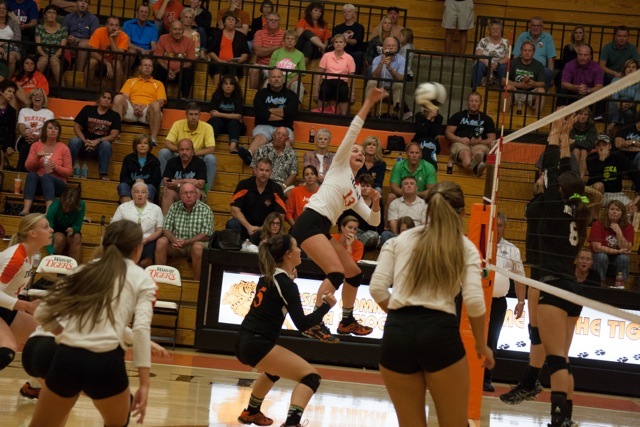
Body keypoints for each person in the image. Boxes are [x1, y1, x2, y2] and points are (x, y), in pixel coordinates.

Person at [369, 180, 494, 427]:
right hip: (439, 334)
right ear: (462, 212)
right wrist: (481, 345)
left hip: (397, 335)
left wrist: (400, 318)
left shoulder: (398, 240)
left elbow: (377, 289)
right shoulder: (464, 247)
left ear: (427, 208)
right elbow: (474, 301)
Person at [29, 220, 156, 426]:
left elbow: (42, 312)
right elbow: (141, 329)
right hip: (105, 363)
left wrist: (65, 334)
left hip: (66, 358)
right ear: (137, 248)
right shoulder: (142, 278)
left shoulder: (82, 270)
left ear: (104, 244)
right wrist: (144, 384)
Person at [289, 88, 387, 342]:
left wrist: (376, 202)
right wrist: (368, 101)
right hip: (309, 222)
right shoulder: (339, 165)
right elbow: (354, 129)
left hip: (320, 227)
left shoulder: (355, 190)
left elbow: (374, 221)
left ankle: (346, 321)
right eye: (354, 150)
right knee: (335, 274)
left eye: (361, 153)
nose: (358, 153)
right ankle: (314, 322)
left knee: (354, 273)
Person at [234, 234, 336, 427]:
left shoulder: (268, 276)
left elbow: (278, 291)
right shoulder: (287, 285)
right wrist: (325, 307)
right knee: (311, 377)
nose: (300, 251)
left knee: (273, 371)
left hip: (243, 340)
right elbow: (303, 324)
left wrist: (289, 277)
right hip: (257, 343)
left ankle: (252, 412)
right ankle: (291, 423)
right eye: (297, 247)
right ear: (288, 254)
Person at [0, 213, 52, 399]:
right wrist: (26, 306)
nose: (51, 230)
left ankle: (34, 387)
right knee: (7, 350)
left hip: (6, 308)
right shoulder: (16, 257)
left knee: (47, 336)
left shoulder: (31, 256)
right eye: (45, 227)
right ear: (33, 234)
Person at [483, 212, 526, 392]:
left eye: (500, 225)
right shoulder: (479, 245)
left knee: (492, 340)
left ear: (504, 228)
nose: (497, 228)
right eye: (494, 224)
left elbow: (520, 278)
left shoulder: (512, 250)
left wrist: (521, 302)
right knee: (469, 338)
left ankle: (486, 378)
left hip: (498, 303)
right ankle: (466, 374)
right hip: (476, 300)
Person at [240, 68, 299, 165]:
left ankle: (286, 163)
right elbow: (260, 114)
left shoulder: (291, 95)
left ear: (283, 79)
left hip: (284, 127)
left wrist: (269, 110)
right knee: (260, 138)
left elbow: (290, 114)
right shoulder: (261, 93)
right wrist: (282, 114)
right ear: (269, 79)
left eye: (279, 77)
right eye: (273, 77)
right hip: (264, 126)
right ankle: (249, 156)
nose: (276, 79)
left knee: (286, 140)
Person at [155, 182, 212, 281]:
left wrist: (187, 242)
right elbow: (166, 228)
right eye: (185, 193)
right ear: (180, 196)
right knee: (161, 242)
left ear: (196, 194)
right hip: (176, 245)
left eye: (191, 192)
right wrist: (174, 240)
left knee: (198, 247)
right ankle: (160, 280)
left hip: (194, 244)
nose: (189, 196)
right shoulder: (174, 207)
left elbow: (206, 234)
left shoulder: (205, 209)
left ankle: (197, 284)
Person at [159, 102, 217, 192]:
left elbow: (211, 149)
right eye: (190, 114)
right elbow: (167, 142)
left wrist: (192, 153)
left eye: (196, 114)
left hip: (197, 157)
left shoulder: (207, 127)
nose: (193, 117)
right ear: (186, 115)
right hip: (180, 154)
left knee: (211, 158)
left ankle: (206, 192)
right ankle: (163, 187)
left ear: (199, 115)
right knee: (163, 152)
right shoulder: (178, 124)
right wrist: (181, 151)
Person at [227, 157, 287, 241]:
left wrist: (263, 228)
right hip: (245, 226)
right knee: (232, 223)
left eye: (267, 171)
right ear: (255, 170)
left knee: (277, 225)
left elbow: (281, 214)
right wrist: (249, 227)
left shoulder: (276, 189)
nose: (264, 173)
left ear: (271, 172)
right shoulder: (244, 185)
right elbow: (234, 209)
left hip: (266, 229)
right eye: (261, 170)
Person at [111, 57, 166, 146]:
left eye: (150, 66)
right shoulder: (131, 81)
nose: (147, 67)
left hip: (148, 111)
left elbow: (161, 101)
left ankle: (153, 139)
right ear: (140, 68)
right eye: (145, 65)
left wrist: (144, 107)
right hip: (131, 109)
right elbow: (125, 96)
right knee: (118, 98)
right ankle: (115, 134)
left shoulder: (158, 84)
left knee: (156, 105)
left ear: (152, 69)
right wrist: (134, 106)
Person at [21, 119, 72, 214]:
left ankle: (49, 211)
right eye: (50, 128)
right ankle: (26, 209)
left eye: (56, 129)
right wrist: (37, 158)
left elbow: (69, 171)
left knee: (47, 177)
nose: (53, 130)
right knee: (32, 175)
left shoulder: (64, 148)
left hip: (58, 184)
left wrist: (56, 167)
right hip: (39, 184)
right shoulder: (36, 146)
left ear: (59, 132)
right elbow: (27, 167)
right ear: (45, 131)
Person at [68, 90, 121, 181]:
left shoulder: (115, 115)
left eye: (109, 98)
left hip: (100, 147)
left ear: (111, 103)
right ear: (99, 99)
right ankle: (67, 169)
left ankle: (103, 174)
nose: (106, 100)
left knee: (106, 144)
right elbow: (76, 126)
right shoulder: (87, 109)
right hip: (84, 143)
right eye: (104, 97)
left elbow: (114, 135)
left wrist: (97, 141)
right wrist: (85, 141)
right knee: (74, 141)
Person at [112, 181, 164, 268]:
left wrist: (146, 240)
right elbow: (113, 226)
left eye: (143, 192)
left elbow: (159, 230)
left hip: (148, 240)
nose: (140, 195)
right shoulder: (123, 207)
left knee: (147, 261)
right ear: (132, 194)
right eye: (137, 192)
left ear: (147, 194)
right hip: (127, 239)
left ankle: (137, 272)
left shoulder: (156, 209)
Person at [445, 91, 497, 177]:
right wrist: (460, 139)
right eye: (471, 101)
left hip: (479, 144)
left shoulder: (487, 119)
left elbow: (492, 139)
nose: (473, 103)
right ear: (467, 102)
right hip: (460, 144)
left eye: (476, 101)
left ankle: (473, 166)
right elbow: (447, 133)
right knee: (465, 153)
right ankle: (476, 168)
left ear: (480, 103)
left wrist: (481, 141)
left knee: (479, 153)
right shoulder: (458, 116)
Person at [587, 134, 640, 217]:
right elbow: (594, 179)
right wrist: (601, 160)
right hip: (597, 194)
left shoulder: (618, 157)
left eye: (604, 144)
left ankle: (625, 228)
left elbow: (635, 173)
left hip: (616, 194)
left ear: (610, 146)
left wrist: (638, 193)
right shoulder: (591, 158)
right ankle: (594, 221)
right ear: (596, 147)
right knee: (598, 185)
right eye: (599, 145)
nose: (601, 148)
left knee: (633, 207)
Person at [589, 200, 633, 288]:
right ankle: (598, 285)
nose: (614, 212)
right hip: (599, 260)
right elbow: (597, 248)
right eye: (612, 209)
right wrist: (618, 251)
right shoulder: (598, 224)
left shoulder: (628, 227)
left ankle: (620, 286)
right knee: (602, 256)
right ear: (607, 211)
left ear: (622, 213)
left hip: (616, 262)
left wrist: (619, 232)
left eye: (618, 210)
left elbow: (627, 248)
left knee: (624, 258)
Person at [387, 143, 437, 217]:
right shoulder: (398, 165)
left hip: (421, 197)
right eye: (411, 152)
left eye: (417, 153)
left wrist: (413, 195)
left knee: (434, 198)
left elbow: (431, 190)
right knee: (391, 196)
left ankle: (430, 227)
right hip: (402, 196)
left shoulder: (429, 167)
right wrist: (408, 195)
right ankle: (386, 226)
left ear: (421, 155)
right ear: (407, 153)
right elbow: (394, 187)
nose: (414, 155)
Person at [160, 138, 207, 215]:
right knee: (167, 191)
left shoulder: (200, 163)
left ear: (192, 151)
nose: (184, 152)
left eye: (187, 149)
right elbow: (166, 182)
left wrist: (176, 182)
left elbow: (200, 185)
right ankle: (166, 223)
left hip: (193, 191)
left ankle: (191, 221)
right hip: (175, 191)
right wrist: (190, 181)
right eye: (182, 150)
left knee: (196, 192)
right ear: (178, 151)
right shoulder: (172, 162)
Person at [338, 174, 384, 250]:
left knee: (374, 236)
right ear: (358, 187)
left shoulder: (377, 200)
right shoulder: (352, 199)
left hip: (370, 233)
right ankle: (356, 247)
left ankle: (357, 247)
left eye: (368, 186)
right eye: (362, 186)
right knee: (351, 237)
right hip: (354, 231)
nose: (365, 188)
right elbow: (343, 218)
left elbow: (380, 221)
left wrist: (379, 236)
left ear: (372, 187)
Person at [314, 34, 355, 115]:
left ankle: (343, 116)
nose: (338, 44)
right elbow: (319, 74)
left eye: (341, 42)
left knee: (343, 91)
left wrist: (352, 94)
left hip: (342, 82)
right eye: (336, 42)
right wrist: (316, 91)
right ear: (333, 44)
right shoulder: (326, 55)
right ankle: (320, 114)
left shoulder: (349, 58)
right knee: (323, 90)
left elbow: (352, 78)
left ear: (345, 44)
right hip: (328, 80)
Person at [153, 20, 195, 99]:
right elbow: (158, 57)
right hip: (165, 70)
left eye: (179, 29)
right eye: (175, 29)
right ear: (170, 30)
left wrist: (176, 71)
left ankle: (184, 98)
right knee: (157, 68)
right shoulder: (163, 38)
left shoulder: (190, 42)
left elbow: (190, 61)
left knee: (188, 71)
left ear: (183, 31)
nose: (177, 31)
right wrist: (168, 69)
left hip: (180, 72)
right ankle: (160, 97)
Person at [381, 176, 427, 248]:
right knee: (385, 235)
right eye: (406, 184)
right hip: (398, 235)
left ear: (416, 188)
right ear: (402, 188)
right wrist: (401, 237)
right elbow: (392, 223)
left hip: (417, 237)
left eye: (412, 184)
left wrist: (412, 237)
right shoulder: (395, 203)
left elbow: (424, 225)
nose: (409, 186)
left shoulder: (424, 204)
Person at [207, 11, 250, 87]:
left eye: (233, 20)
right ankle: (217, 92)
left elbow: (245, 54)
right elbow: (211, 51)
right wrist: (219, 60)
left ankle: (233, 94)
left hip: (235, 64)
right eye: (228, 19)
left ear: (236, 23)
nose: (231, 21)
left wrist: (238, 61)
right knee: (219, 68)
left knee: (232, 69)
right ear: (224, 22)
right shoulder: (217, 34)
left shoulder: (241, 36)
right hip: (218, 62)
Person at [503, 41, 546, 115]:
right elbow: (503, 80)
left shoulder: (539, 65)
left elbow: (542, 83)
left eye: (529, 50)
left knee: (541, 90)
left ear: (533, 52)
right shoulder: (513, 62)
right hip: (515, 92)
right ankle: (504, 116)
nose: (527, 52)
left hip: (531, 94)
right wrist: (519, 85)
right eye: (525, 50)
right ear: (521, 51)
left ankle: (537, 121)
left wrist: (533, 83)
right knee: (507, 87)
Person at [365, 36, 405, 117]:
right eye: (388, 45)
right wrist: (381, 62)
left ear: (397, 48)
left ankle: (396, 111)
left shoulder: (402, 60)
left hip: (392, 89)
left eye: (393, 46)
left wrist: (389, 68)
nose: (390, 47)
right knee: (371, 82)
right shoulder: (377, 59)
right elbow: (374, 76)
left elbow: (401, 78)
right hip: (379, 88)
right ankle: (368, 109)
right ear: (383, 47)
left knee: (399, 84)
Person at [16, 88, 54, 172]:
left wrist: (37, 137)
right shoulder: (24, 111)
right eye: (35, 95)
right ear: (31, 98)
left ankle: (20, 172)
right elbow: (21, 125)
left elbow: (46, 129)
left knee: (32, 146)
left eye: (40, 95)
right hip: (24, 137)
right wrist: (25, 134)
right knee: (25, 145)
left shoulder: (49, 113)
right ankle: (22, 172)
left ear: (44, 99)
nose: (38, 96)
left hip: (40, 139)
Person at [87, 16, 129, 90]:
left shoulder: (124, 36)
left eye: (116, 25)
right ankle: (86, 90)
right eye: (111, 25)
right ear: (106, 25)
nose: (114, 28)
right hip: (100, 62)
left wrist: (111, 39)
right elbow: (92, 52)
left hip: (114, 64)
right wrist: (107, 63)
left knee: (117, 64)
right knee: (91, 62)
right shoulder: (99, 31)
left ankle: (117, 94)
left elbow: (118, 56)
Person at [208, 75, 246, 154]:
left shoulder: (238, 97)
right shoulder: (216, 95)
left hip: (234, 127)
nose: (228, 86)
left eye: (231, 84)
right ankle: (210, 146)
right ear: (221, 86)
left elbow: (238, 116)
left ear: (234, 87)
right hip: (219, 125)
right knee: (215, 121)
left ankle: (233, 147)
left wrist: (219, 114)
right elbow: (213, 114)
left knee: (234, 122)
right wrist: (231, 115)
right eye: (225, 84)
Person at [118, 134, 161, 204]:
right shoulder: (128, 159)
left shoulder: (154, 161)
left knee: (151, 187)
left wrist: (143, 181)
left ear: (149, 146)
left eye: (145, 143)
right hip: (131, 187)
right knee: (122, 186)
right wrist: (136, 181)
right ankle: (128, 211)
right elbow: (123, 179)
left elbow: (156, 181)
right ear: (135, 146)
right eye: (139, 143)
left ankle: (144, 213)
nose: (142, 145)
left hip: (147, 187)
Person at [513, 16, 556, 85]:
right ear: (530, 26)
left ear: (542, 27)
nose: (535, 28)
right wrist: (514, 68)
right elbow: (516, 55)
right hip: (522, 67)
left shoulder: (548, 37)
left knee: (547, 73)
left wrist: (550, 76)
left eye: (538, 26)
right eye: (533, 25)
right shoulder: (522, 36)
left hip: (539, 69)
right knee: (504, 68)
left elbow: (550, 59)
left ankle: (542, 93)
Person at [46, 186, 85, 263]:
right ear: (62, 201)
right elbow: (48, 231)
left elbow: (78, 224)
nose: (67, 210)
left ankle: (74, 271)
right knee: (59, 238)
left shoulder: (81, 205)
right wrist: (50, 251)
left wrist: (74, 229)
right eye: (66, 206)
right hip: (56, 229)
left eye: (71, 208)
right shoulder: (54, 207)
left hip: (70, 228)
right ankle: (54, 268)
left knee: (76, 237)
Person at [62, 0, 99, 76]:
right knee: (62, 45)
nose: (83, 3)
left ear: (88, 5)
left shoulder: (93, 19)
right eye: (81, 1)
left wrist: (77, 40)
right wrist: (68, 38)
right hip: (70, 45)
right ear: (76, 3)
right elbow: (63, 35)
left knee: (83, 45)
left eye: (86, 2)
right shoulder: (68, 17)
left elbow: (94, 40)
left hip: (87, 48)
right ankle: (64, 77)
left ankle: (78, 75)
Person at [269, 30, 306, 102]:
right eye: (287, 38)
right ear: (284, 40)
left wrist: (289, 83)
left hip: (292, 81)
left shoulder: (300, 55)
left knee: (299, 86)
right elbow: (271, 69)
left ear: (296, 41)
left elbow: (301, 73)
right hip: (277, 79)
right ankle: (266, 106)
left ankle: (296, 108)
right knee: (267, 82)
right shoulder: (277, 52)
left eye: (292, 39)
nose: (290, 41)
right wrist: (278, 80)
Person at [249, 11, 283, 89]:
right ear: (266, 22)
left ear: (279, 22)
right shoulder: (259, 33)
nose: (273, 22)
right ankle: (252, 94)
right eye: (271, 20)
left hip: (277, 67)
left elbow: (282, 54)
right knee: (255, 67)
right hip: (262, 65)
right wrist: (275, 48)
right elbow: (258, 52)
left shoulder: (284, 35)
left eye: (276, 20)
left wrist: (264, 50)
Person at [472, 18, 510, 89]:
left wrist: (498, 63)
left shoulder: (506, 42)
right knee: (479, 65)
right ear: (489, 30)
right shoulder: (483, 41)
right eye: (493, 28)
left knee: (504, 67)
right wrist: (487, 63)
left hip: (499, 65)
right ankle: (475, 89)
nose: (495, 30)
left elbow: (507, 57)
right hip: (484, 63)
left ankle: (501, 91)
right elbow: (478, 54)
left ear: (501, 30)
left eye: (497, 28)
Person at [34, 5, 67, 86]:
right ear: (45, 14)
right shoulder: (39, 27)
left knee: (54, 62)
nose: (52, 15)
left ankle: (62, 89)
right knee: (42, 61)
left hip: (58, 56)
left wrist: (54, 57)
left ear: (56, 15)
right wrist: (46, 56)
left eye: (54, 13)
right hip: (42, 53)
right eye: (49, 12)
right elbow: (38, 47)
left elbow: (62, 48)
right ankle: (35, 86)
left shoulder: (63, 29)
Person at [607, 59, 640, 134]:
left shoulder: (639, 83)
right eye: (628, 67)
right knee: (613, 101)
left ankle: (614, 123)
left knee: (629, 112)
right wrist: (619, 103)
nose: (630, 69)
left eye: (633, 67)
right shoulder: (615, 80)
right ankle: (615, 123)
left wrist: (630, 104)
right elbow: (615, 96)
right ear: (624, 69)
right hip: (616, 106)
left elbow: (637, 100)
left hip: (631, 108)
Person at [331, 4, 365, 74]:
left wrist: (342, 39)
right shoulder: (338, 27)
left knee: (359, 54)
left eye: (349, 11)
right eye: (345, 12)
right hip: (339, 50)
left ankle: (355, 77)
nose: (347, 14)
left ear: (353, 13)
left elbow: (356, 41)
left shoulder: (359, 27)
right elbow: (333, 40)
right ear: (342, 14)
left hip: (354, 51)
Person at [122, 3, 158, 69]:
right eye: (141, 11)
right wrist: (140, 49)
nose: (143, 14)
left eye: (146, 12)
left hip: (146, 54)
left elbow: (154, 46)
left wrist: (149, 51)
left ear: (148, 15)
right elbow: (127, 43)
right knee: (132, 51)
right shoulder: (128, 24)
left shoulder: (153, 28)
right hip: (132, 52)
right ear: (137, 13)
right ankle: (125, 76)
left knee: (155, 54)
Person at [295, 2, 329, 67]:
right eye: (316, 10)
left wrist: (323, 54)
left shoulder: (324, 25)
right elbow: (299, 36)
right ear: (310, 12)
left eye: (320, 11)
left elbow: (326, 40)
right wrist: (322, 45)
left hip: (316, 50)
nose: (318, 13)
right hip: (301, 47)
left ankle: (301, 67)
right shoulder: (303, 21)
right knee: (307, 32)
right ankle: (321, 46)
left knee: (309, 44)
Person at [569, 107, 597, 181]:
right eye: (580, 114)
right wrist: (580, 144)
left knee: (584, 151)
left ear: (588, 117)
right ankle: (575, 177)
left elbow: (590, 145)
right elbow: (569, 144)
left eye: (585, 114)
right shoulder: (571, 126)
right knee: (576, 150)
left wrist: (575, 141)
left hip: (586, 152)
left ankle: (580, 179)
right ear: (576, 116)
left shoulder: (592, 128)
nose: (583, 116)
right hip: (571, 151)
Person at [0, 0, 21, 79]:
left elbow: (18, 38)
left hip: (12, 48)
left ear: (7, 11)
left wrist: (3, 43)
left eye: (4, 8)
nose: (1, 10)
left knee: (11, 57)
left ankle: (7, 82)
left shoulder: (13, 23)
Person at [0, 80, 18, 170]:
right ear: (1, 91)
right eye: (9, 91)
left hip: (2, 141)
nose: (11, 94)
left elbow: (11, 131)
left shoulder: (11, 111)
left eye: (13, 93)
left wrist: (10, 145)